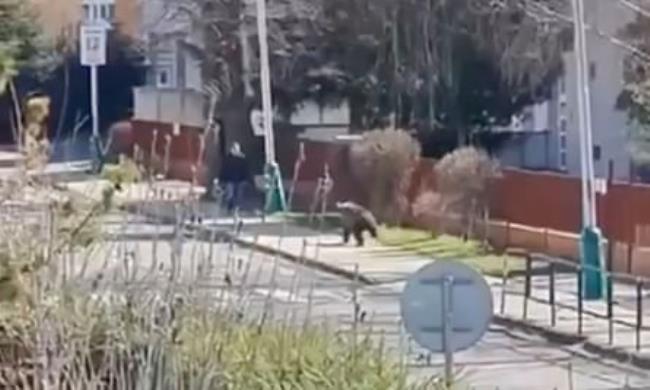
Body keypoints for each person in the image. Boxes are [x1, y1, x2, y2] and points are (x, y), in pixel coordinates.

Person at [219, 142, 250, 213]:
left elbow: (246, 169)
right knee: (231, 195)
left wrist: (246, 179)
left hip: (240, 179)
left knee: (238, 195)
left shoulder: (242, 158)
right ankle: (231, 207)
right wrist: (222, 178)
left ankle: (236, 208)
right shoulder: (228, 158)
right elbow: (224, 169)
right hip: (231, 179)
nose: (235, 150)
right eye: (234, 149)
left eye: (236, 149)